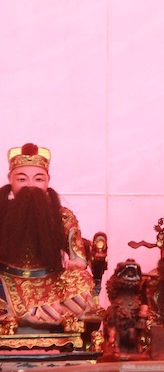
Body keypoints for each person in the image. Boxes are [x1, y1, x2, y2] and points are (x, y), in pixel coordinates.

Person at [0, 142, 99, 335]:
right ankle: (48, 314)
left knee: (82, 283)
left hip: (50, 282)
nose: (30, 185)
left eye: (38, 179)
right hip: (7, 282)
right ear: (10, 179)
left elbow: (79, 259)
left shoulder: (63, 216)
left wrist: (74, 265)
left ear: (48, 181)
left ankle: (23, 314)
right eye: (22, 179)